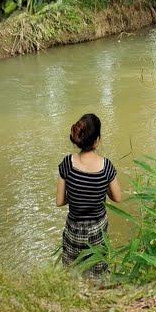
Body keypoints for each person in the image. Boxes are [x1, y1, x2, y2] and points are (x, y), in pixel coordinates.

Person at [56, 113, 121, 275]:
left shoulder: (67, 164)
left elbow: (59, 201)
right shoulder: (106, 167)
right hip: (97, 229)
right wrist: (101, 188)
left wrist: (77, 194)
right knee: (98, 271)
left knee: (73, 272)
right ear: (97, 140)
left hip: (74, 229)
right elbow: (117, 198)